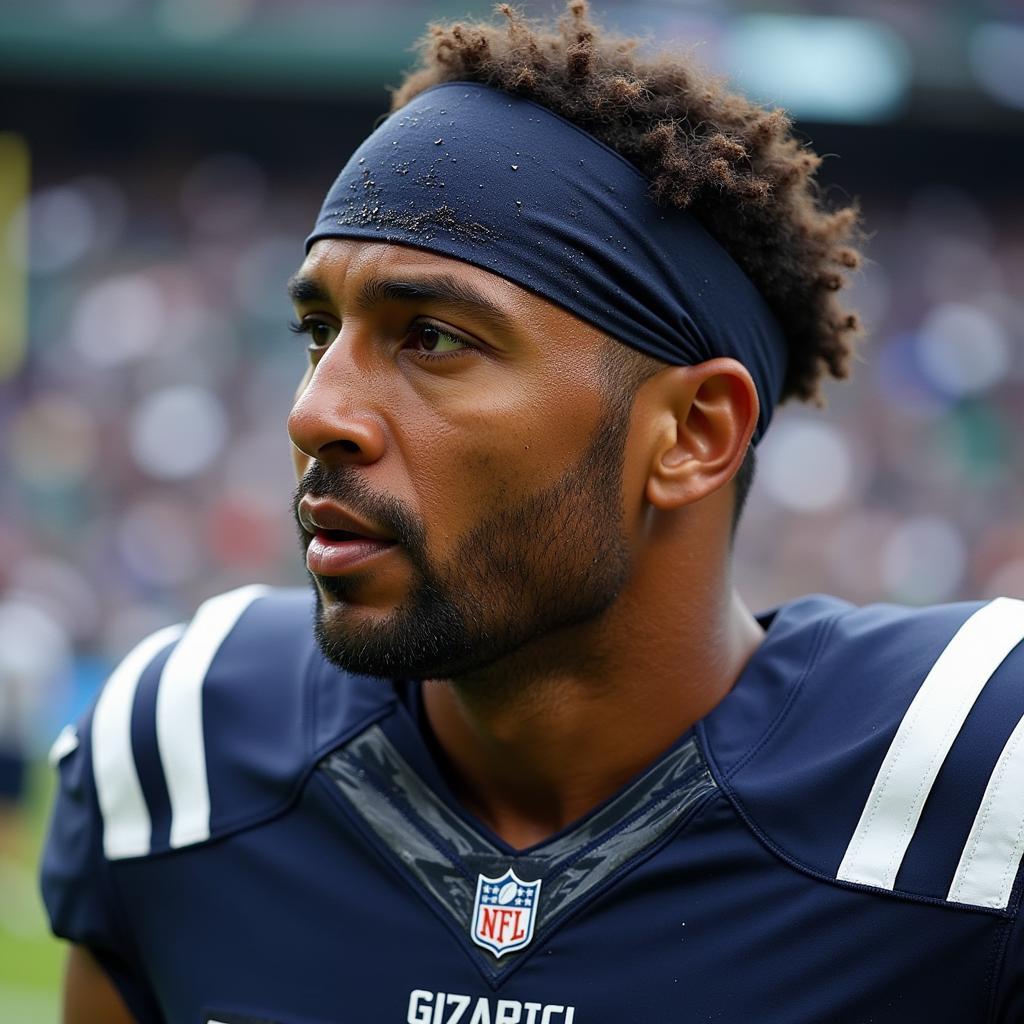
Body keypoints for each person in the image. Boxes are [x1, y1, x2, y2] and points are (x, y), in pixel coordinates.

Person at [40, 3, 1024, 1022]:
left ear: (692, 432)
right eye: (319, 331)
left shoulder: (977, 796)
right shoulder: (187, 743)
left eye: (431, 336)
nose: (315, 412)